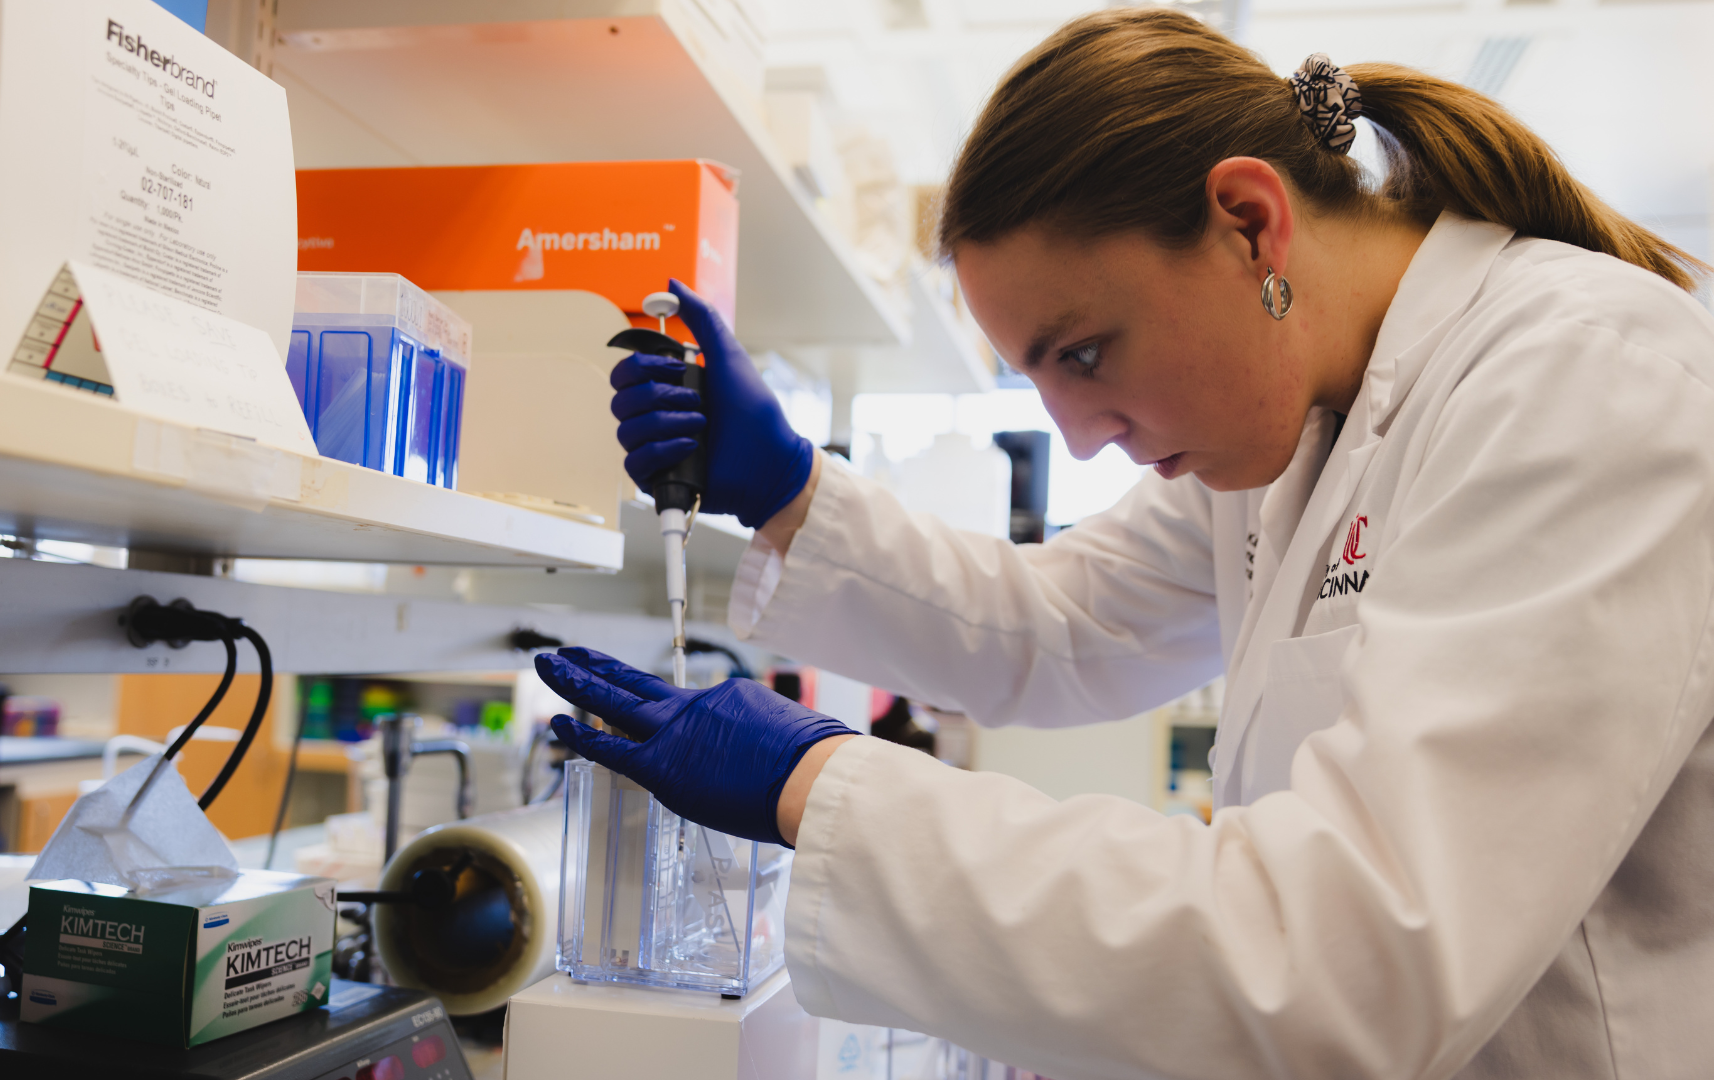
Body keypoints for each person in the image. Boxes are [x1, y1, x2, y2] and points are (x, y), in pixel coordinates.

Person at [534, 9, 1714, 1078]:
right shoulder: (1286, 431)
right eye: (1037, 381)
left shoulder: (1581, 381)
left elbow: (1348, 961)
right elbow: (1061, 628)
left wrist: (819, 785)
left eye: (1085, 354)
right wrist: (790, 489)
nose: (1081, 440)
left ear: (1251, 225)